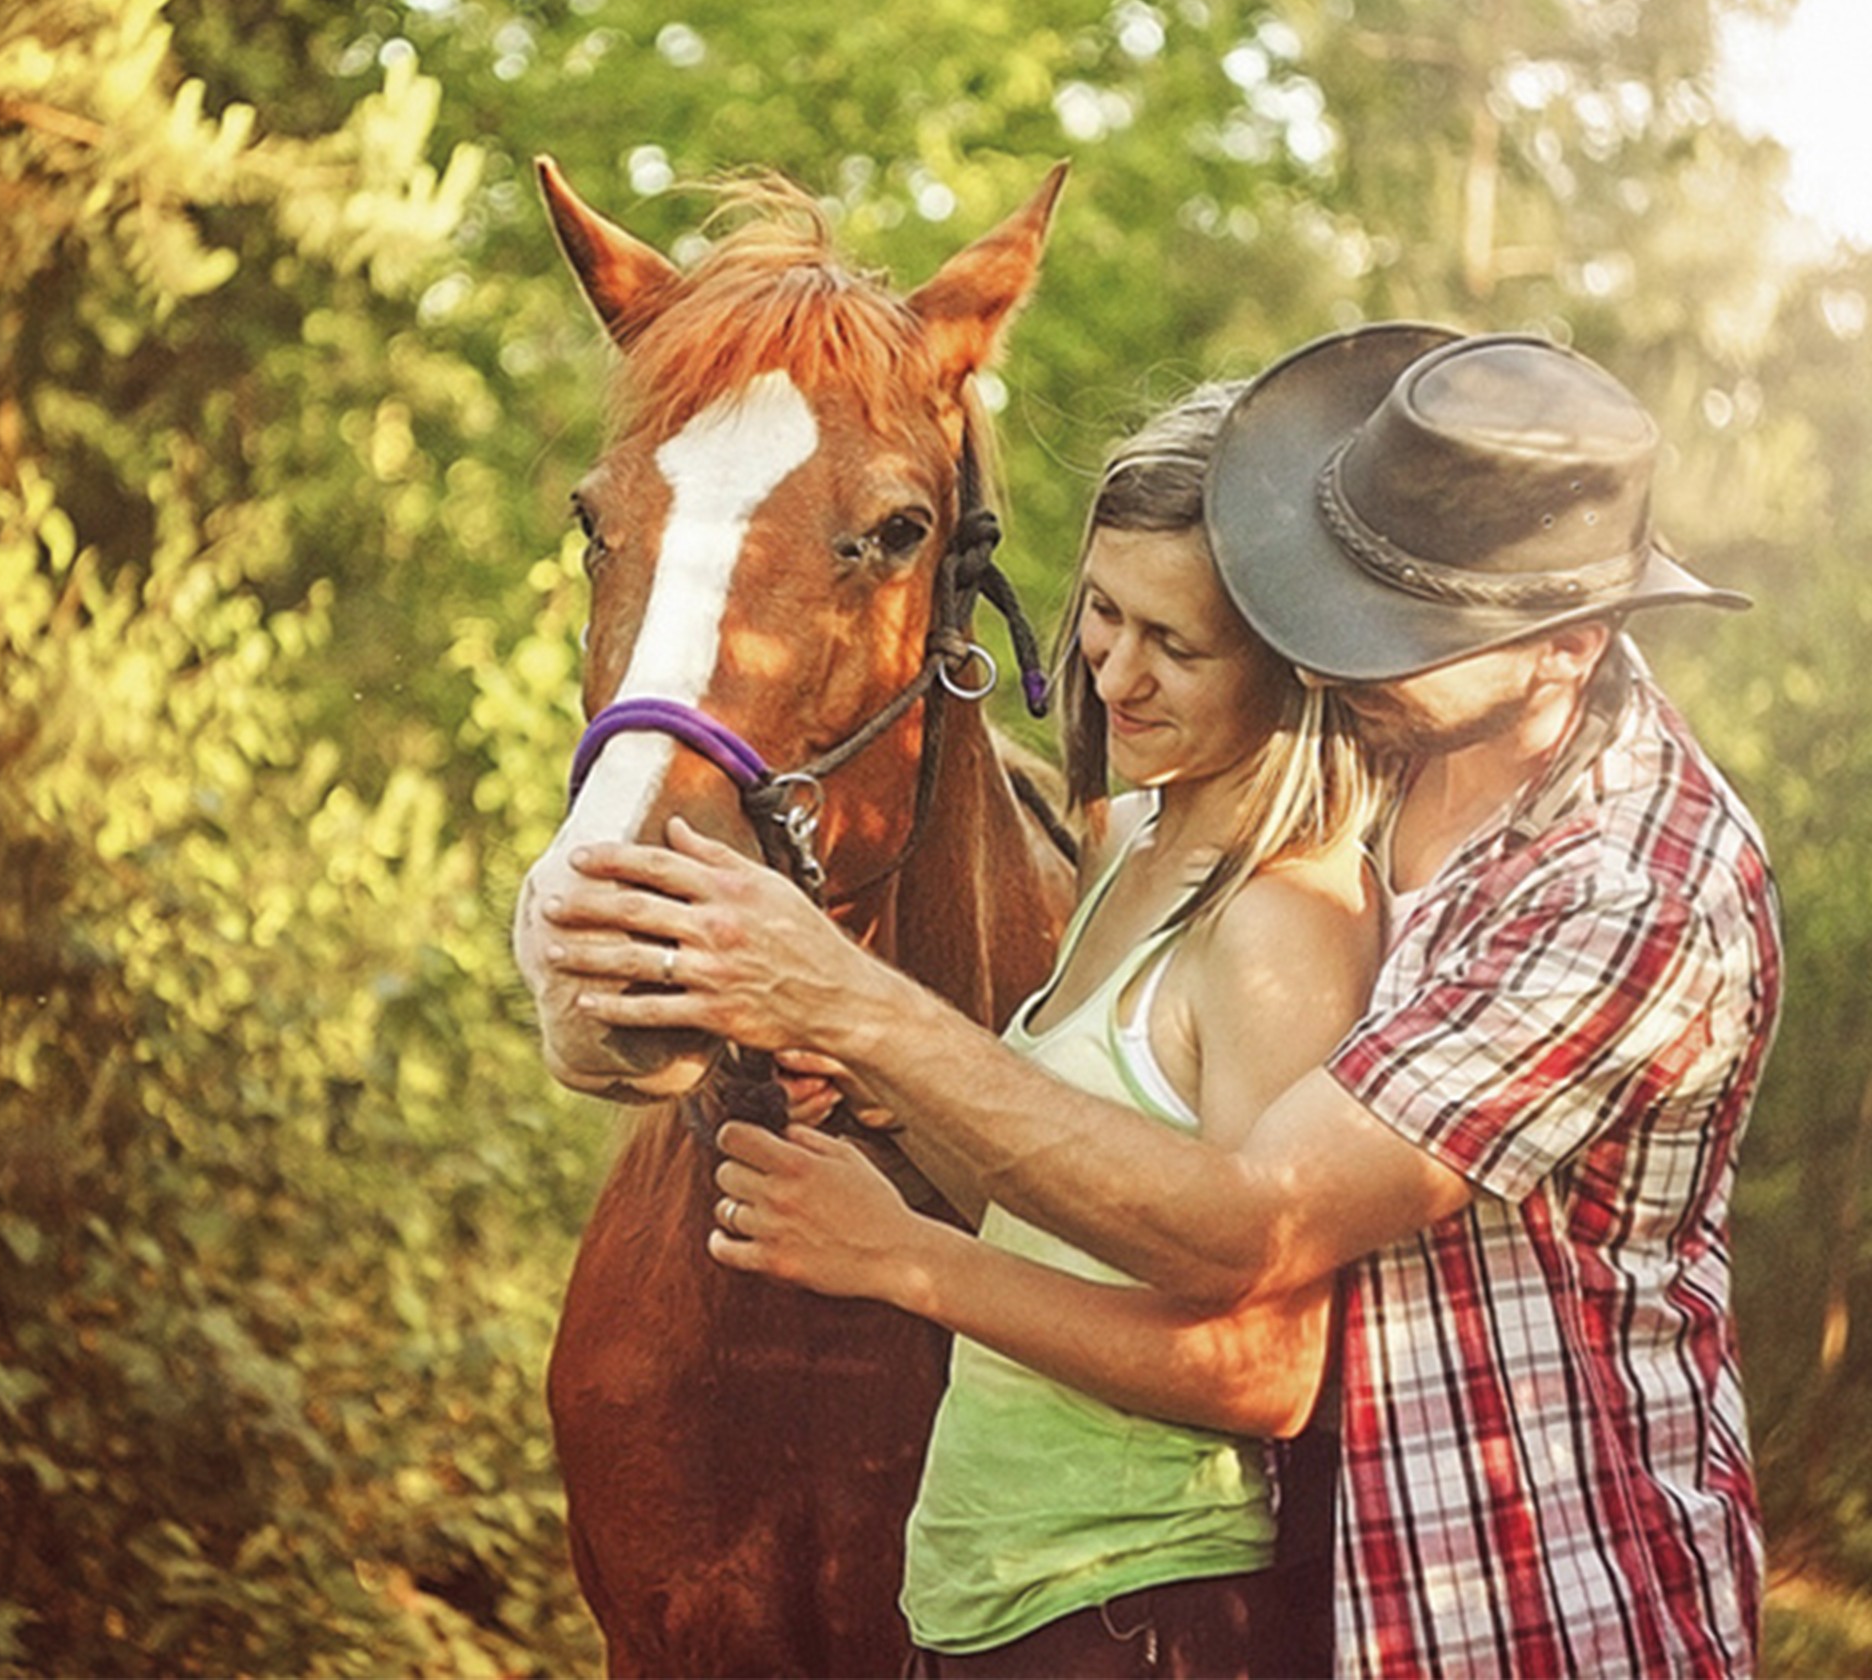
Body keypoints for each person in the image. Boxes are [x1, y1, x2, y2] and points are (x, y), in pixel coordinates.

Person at [547, 326, 1783, 1679]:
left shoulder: (1621, 893)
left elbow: (1254, 1232)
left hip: (1520, 1583)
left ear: (1567, 645)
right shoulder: (1360, 772)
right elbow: (1113, 1162)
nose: (1328, 650)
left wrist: (854, 1015)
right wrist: (893, 1095)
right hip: (1331, 1574)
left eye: (1391, 628)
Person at [555, 389, 1382, 1676]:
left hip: (1136, 1612)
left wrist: (906, 1260)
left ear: (1287, 656)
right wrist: (902, 1103)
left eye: (1180, 643)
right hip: (998, 1601)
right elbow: (1086, 1204)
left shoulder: (1288, 915)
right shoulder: (1126, 847)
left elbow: (1263, 1374)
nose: (1117, 672)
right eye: (1103, 614)